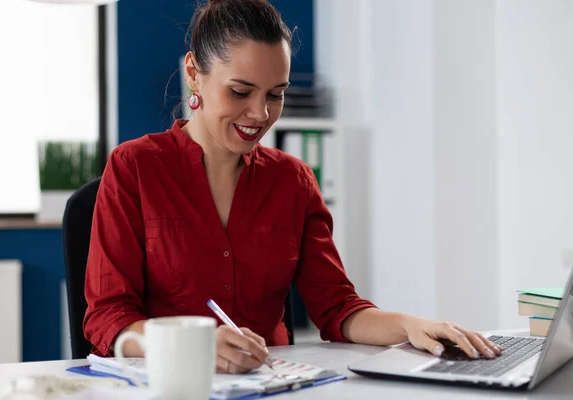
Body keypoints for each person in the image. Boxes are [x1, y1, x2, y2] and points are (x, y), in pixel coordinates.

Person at [83, 0, 502, 374]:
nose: (260, 114)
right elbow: (107, 318)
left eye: (276, 94)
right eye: (241, 91)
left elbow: (337, 308)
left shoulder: (294, 181)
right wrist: (190, 345)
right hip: (171, 384)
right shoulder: (135, 167)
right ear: (194, 73)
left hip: (272, 384)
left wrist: (411, 326)